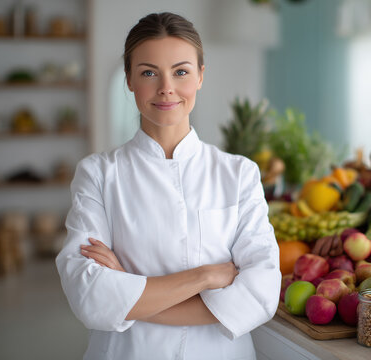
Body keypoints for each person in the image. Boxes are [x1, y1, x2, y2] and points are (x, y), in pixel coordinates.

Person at [56, 12, 281, 360]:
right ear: (129, 79)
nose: (166, 87)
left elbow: (261, 293)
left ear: (201, 76)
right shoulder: (98, 174)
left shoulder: (239, 174)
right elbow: (90, 296)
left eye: (181, 71)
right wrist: (206, 277)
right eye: (149, 72)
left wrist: (129, 292)